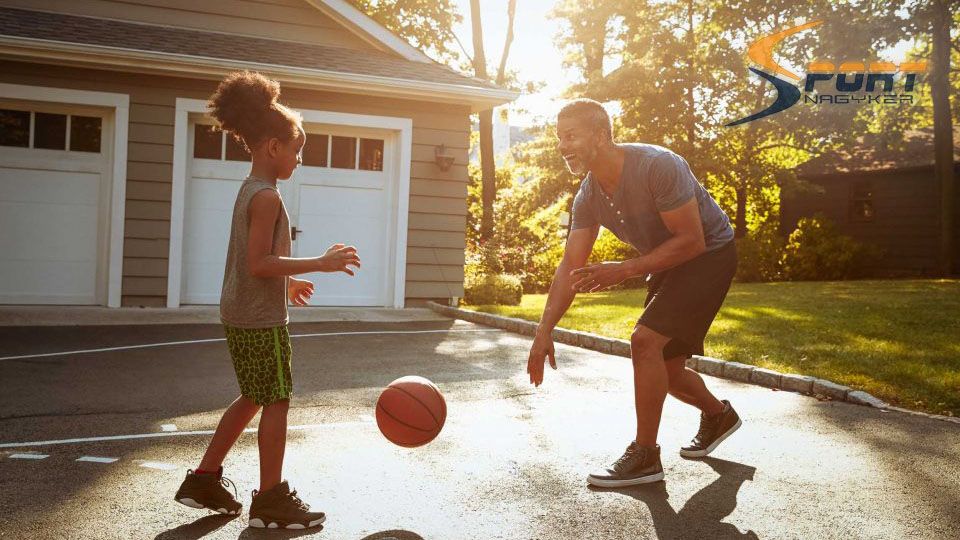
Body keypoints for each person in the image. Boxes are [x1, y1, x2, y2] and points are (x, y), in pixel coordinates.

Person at [173, 71, 360, 529]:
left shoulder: (253, 190)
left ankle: (203, 478)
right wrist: (318, 263)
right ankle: (271, 499)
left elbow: (260, 262)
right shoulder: (267, 199)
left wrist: (289, 283)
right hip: (258, 318)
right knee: (276, 399)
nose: (299, 158)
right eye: (296, 149)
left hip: (241, 310)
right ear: (272, 147)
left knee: (255, 396)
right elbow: (259, 262)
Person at [526, 98, 741, 488]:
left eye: (570, 135)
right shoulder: (588, 196)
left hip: (709, 253)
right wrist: (543, 331)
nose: (562, 146)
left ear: (602, 134)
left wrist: (623, 270)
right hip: (669, 262)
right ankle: (718, 414)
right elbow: (568, 267)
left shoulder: (658, 166)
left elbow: (691, 241)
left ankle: (645, 455)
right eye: (560, 138)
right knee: (668, 371)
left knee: (644, 342)